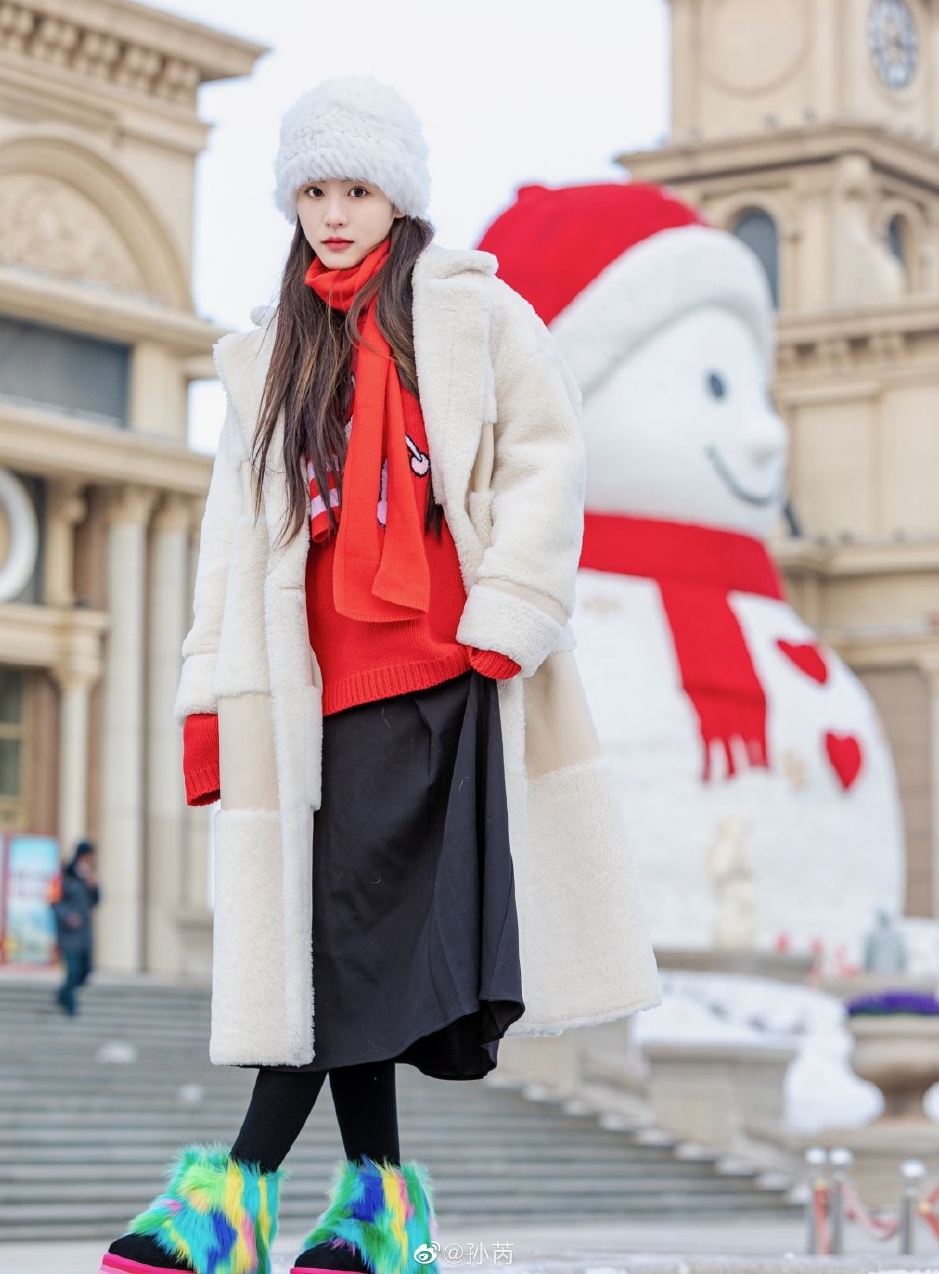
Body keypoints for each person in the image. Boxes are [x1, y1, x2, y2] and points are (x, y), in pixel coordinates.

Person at [100, 76, 659, 1274]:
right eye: (313, 189)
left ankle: (235, 1196)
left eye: (355, 189)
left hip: (438, 686)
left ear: (395, 197)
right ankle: (378, 1212)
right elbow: (229, 548)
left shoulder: (471, 316)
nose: (333, 213)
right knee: (334, 950)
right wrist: (210, 702)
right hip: (305, 701)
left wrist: (509, 606)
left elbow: (547, 459)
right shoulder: (269, 357)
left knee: (342, 951)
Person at [51, 839, 99, 1016]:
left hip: (84, 935)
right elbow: (54, 902)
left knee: (85, 971)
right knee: (72, 970)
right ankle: (70, 1007)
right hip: (68, 935)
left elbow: (96, 902)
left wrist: (94, 886)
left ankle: (62, 994)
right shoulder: (65, 875)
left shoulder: (88, 878)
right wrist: (67, 916)